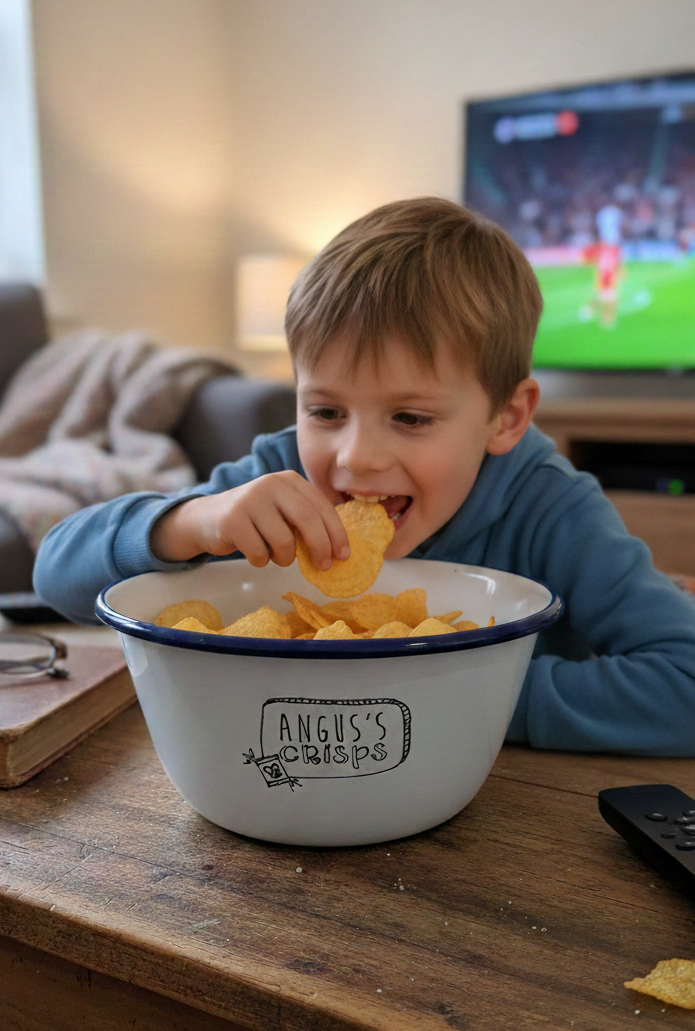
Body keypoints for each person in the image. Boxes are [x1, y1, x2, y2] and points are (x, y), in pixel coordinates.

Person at [33, 197, 695, 755]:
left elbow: (683, 682)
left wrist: (469, 696)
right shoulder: (279, 475)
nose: (355, 457)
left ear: (505, 416)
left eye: (408, 417)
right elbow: (55, 574)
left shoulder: (551, 506)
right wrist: (189, 522)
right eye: (324, 410)